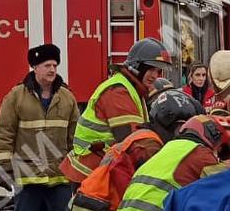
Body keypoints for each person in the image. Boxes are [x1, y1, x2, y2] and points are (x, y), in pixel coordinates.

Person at [0, 43, 79, 211]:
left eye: (55, 65)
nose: (52, 69)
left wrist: (77, 169)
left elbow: (75, 137)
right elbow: (4, 133)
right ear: (35, 67)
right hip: (27, 178)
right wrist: (4, 167)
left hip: (59, 176)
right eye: (47, 65)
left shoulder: (67, 98)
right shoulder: (16, 97)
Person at [59, 37, 171, 184]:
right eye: (150, 69)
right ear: (136, 66)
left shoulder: (132, 89)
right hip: (92, 173)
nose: (155, 76)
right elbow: (134, 142)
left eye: (158, 71)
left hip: (100, 170)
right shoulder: (118, 92)